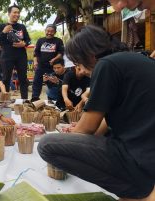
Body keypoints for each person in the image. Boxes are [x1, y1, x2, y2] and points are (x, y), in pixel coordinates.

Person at [38, 25, 155, 201]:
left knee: (47, 146)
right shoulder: (133, 60)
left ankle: (137, 191)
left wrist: (72, 139)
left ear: (90, 55)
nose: (82, 70)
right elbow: (106, 122)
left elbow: (86, 129)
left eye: (79, 64)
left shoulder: (106, 65)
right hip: (147, 152)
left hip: (139, 161)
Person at [0, 4, 31, 99]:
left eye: (18, 13)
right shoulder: (2, 26)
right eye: (14, 12)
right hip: (6, 56)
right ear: (9, 13)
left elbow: (28, 40)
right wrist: (4, 32)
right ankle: (5, 103)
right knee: (5, 79)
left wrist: (24, 44)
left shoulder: (22, 27)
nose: (17, 14)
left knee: (23, 79)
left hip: (21, 56)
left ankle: (25, 102)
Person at [31, 24, 64, 102]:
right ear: (45, 31)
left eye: (52, 31)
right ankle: (35, 99)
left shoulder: (58, 41)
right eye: (48, 31)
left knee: (52, 83)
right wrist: (35, 62)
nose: (49, 33)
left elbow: (61, 53)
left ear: (55, 32)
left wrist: (54, 59)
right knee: (36, 82)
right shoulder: (40, 40)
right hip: (41, 66)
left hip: (52, 67)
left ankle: (53, 100)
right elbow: (36, 53)